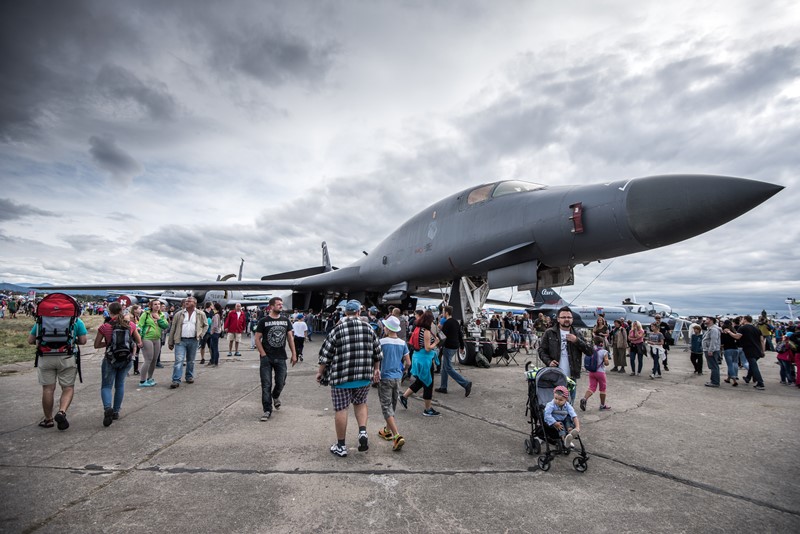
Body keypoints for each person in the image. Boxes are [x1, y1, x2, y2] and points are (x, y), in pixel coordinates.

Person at [317, 300, 382, 457]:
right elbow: (378, 352)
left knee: (341, 409)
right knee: (360, 404)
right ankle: (362, 432)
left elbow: (325, 355)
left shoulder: (337, 329)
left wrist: (320, 372)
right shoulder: (368, 328)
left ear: (346, 313)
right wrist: (376, 370)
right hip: (364, 376)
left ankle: (341, 446)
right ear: (359, 312)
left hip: (341, 378)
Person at [27, 311, 88, 430]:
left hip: (45, 357)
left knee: (48, 389)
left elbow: (30, 340)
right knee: (68, 387)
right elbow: (83, 340)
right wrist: (71, 340)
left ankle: (48, 419)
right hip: (67, 356)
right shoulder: (76, 321)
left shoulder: (42, 321)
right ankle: (61, 412)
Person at [94, 302, 143, 426]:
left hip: (110, 359)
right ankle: (116, 411)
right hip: (126, 359)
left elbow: (96, 345)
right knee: (120, 385)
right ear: (122, 311)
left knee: (106, 386)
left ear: (109, 312)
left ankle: (107, 408)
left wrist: (109, 343)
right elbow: (139, 341)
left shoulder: (105, 327)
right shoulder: (130, 325)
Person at [255, 297, 298, 421]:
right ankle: (267, 410)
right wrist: (263, 354)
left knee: (281, 382)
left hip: (281, 357)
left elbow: (290, 338)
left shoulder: (286, 320)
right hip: (266, 358)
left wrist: (294, 354)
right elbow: (257, 338)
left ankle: (275, 395)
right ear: (271, 306)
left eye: (281, 304)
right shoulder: (264, 321)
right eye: (278, 304)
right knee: (266, 384)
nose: (281, 306)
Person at [538, 306, 592, 402]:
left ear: (572, 319)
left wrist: (576, 340)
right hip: (554, 374)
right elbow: (541, 350)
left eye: (569, 317)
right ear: (558, 319)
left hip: (571, 376)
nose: (566, 319)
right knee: (554, 402)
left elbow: (589, 351)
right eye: (563, 317)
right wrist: (549, 361)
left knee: (570, 402)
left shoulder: (577, 334)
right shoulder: (549, 332)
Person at [376, 316, 411, 451]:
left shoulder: (381, 342)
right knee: (392, 404)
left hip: (385, 377)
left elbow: (376, 359)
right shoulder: (402, 343)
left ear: (387, 328)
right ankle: (387, 429)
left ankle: (396, 435)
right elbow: (408, 362)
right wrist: (403, 370)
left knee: (386, 406)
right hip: (397, 377)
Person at [399, 310, 442, 416]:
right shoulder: (426, 331)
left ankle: (404, 397)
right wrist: (435, 343)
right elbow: (428, 348)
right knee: (428, 383)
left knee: (420, 381)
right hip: (425, 360)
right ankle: (428, 409)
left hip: (417, 357)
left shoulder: (418, 328)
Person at [167, 296, 208, 389]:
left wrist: (201, 334)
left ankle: (189, 376)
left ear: (195, 303)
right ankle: (176, 380)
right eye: (186, 301)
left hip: (193, 340)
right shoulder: (179, 314)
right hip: (180, 340)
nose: (187, 302)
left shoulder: (200, 314)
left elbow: (206, 325)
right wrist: (170, 342)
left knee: (191, 361)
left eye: (189, 301)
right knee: (179, 360)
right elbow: (173, 328)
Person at [435, 306, 473, 397]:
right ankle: (443, 387)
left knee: (448, 368)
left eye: (443, 312)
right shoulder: (456, 322)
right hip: (455, 346)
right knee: (444, 367)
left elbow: (442, 337)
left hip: (448, 347)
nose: (442, 314)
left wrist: (437, 345)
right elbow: (460, 335)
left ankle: (465, 383)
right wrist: (462, 346)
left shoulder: (447, 323)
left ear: (447, 313)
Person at [725, 315, 766, 390]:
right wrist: (763, 351)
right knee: (752, 365)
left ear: (745, 320)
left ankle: (760, 382)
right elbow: (762, 340)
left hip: (749, 350)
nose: (741, 320)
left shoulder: (743, 328)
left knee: (754, 366)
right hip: (758, 350)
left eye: (742, 319)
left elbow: (737, 337)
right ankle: (748, 378)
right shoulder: (757, 329)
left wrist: (729, 332)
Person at [137, 300, 169, 387]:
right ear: (151, 305)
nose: (157, 306)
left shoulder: (161, 315)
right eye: (155, 304)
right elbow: (139, 326)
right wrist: (139, 340)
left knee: (154, 360)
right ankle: (142, 381)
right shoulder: (146, 314)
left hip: (157, 338)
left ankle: (150, 378)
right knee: (148, 359)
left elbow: (165, 326)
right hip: (147, 338)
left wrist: (159, 319)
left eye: (159, 304)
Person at [544, 385, 581, 449]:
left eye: (560, 400)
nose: (557, 401)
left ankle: (570, 432)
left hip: (564, 418)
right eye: (556, 398)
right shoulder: (550, 405)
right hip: (556, 420)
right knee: (561, 428)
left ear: (566, 399)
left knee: (569, 420)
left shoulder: (567, 405)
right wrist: (554, 423)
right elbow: (547, 415)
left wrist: (577, 427)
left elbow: (574, 415)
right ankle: (565, 440)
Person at [580, 336, 611, 411]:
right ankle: (602, 405)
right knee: (603, 389)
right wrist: (606, 361)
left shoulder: (591, 350)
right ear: (601, 343)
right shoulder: (604, 351)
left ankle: (584, 399)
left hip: (592, 372)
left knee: (591, 387)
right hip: (600, 373)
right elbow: (606, 363)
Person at [702, 317, 722, 387]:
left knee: (714, 366)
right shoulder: (710, 329)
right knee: (713, 366)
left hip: (711, 350)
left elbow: (714, 340)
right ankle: (713, 380)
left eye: (707, 319)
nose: (705, 320)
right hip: (709, 349)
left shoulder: (713, 330)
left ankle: (715, 382)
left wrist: (711, 350)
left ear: (711, 321)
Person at [721, 319, 739, 386]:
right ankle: (729, 378)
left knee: (730, 365)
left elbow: (722, 343)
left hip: (727, 349)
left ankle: (734, 379)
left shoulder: (723, 333)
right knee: (735, 363)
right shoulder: (734, 331)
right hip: (735, 348)